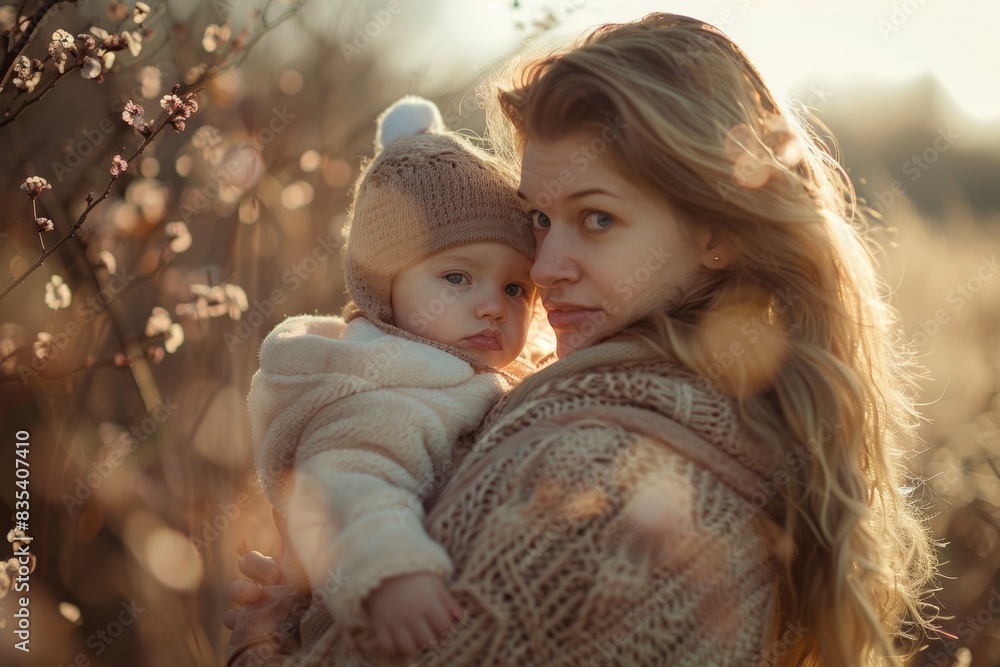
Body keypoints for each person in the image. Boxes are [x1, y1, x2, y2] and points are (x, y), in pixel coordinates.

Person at [225, 13, 938, 666]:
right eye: (540, 219)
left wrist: (261, 643)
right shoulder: (730, 420)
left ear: (718, 230)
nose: (543, 270)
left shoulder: (593, 478)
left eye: (597, 219)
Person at [232, 95, 539, 663]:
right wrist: (389, 573)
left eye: (515, 288)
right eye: (457, 277)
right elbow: (351, 479)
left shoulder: (454, 368)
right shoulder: (385, 382)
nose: (493, 306)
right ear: (384, 286)